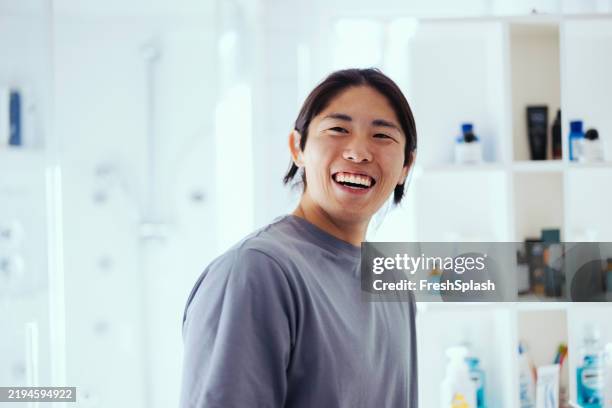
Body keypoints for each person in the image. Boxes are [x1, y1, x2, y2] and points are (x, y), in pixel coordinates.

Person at [179, 68, 418, 408]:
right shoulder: (257, 271)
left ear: (406, 165)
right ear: (298, 147)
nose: (359, 152)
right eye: (338, 129)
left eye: (382, 136)